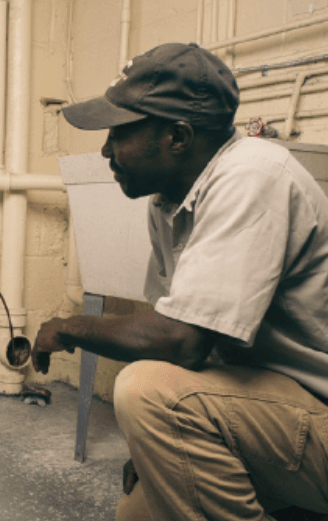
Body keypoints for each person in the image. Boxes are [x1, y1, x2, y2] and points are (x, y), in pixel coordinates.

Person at [31, 42, 328, 521]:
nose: (106, 149)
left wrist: (67, 327)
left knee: (145, 388)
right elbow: (183, 329)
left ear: (178, 137)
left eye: (120, 132)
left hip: (316, 410)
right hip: (267, 404)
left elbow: (180, 342)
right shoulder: (170, 201)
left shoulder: (252, 175)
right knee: (135, 516)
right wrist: (160, 448)